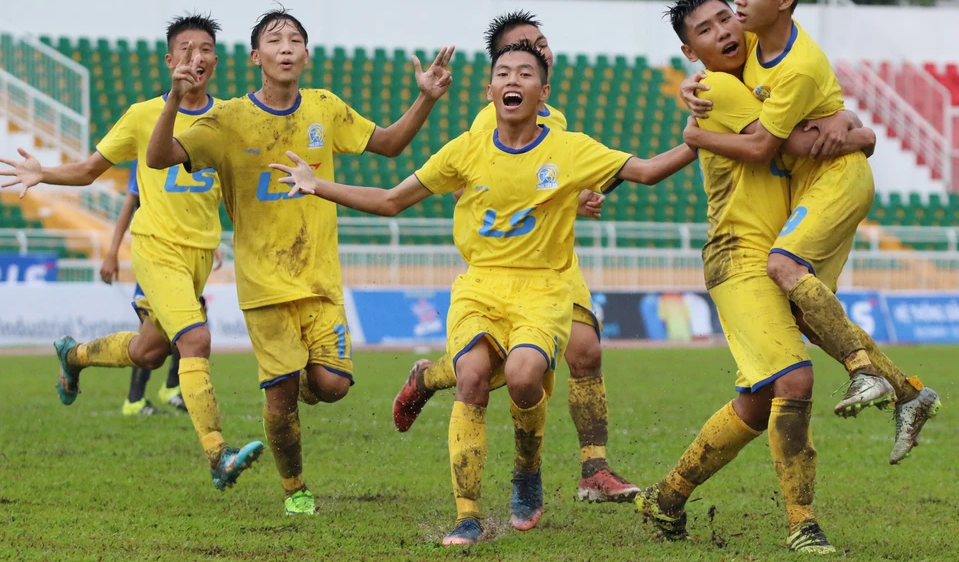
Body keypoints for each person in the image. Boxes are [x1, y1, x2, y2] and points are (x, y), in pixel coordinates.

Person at [269, 43, 697, 545]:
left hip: (542, 288)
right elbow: (390, 200)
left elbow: (646, 171)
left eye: (525, 74)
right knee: (471, 375)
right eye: (503, 73)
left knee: (522, 376)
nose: (513, 80)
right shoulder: (467, 149)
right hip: (481, 286)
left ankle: (526, 470)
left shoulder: (570, 148)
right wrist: (316, 184)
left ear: (544, 93)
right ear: (489, 90)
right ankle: (467, 516)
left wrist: (699, 139)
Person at [144, 8, 455, 515]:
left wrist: (426, 98)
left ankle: (297, 381)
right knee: (281, 396)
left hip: (320, 279)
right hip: (264, 286)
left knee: (332, 386)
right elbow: (157, 157)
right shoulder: (227, 120)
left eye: (294, 40)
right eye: (274, 40)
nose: (285, 47)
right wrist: (175, 99)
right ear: (255, 57)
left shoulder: (325, 107)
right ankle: (295, 489)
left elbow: (390, 144)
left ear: (306, 55)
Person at [635, 0, 881, 554]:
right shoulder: (720, 88)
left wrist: (853, 127)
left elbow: (815, 124)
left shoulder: (756, 79)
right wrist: (860, 133)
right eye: (705, 29)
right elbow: (789, 144)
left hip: (768, 254)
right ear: (690, 51)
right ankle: (802, 522)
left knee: (756, 399)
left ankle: (666, 498)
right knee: (795, 380)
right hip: (740, 255)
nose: (722, 30)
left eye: (726, 18)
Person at [679, 0, 940, 464]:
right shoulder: (751, 45)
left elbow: (770, 145)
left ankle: (863, 372)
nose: (735, 9)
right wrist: (694, 86)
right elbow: (823, 115)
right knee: (806, 312)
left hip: (834, 178)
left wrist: (697, 134)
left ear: (784, 0)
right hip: (816, 181)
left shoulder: (794, 64)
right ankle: (909, 393)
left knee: (782, 266)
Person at [0, 14, 264, 489]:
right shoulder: (143, 114)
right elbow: (89, 170)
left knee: (149, 352)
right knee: (196, 341)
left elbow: (238, 179)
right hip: (156, 247)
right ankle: (217, 455)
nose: (196, 57)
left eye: (205, 49)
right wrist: (43, 173)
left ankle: (74, 356)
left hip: (201, 253)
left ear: (216, 61)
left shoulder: (228, 116)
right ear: (169, 60)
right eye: (186, 49)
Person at [392, 11, 639, 503]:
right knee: (492, 369)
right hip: (506, 268)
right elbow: (476, 187)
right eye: (523, 45)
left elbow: (554, 178)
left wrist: (578, 198)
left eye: (541, 43)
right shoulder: (489, 121)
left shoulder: (554, 119)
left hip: (553, 264)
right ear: (496, 69)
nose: (538, 50)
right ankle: (432, 376)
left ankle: (594, 469)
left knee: (586, 352)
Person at [102, 161, 224, 415]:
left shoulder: (192, 150)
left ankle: (169, 387)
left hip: (183, 254)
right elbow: (129, 204)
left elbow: (190, 204)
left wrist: (209, 241)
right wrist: (112, 252)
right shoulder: (147, 153)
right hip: (155, 253)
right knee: (151, 329)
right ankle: (135, 399)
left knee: (193, 316)